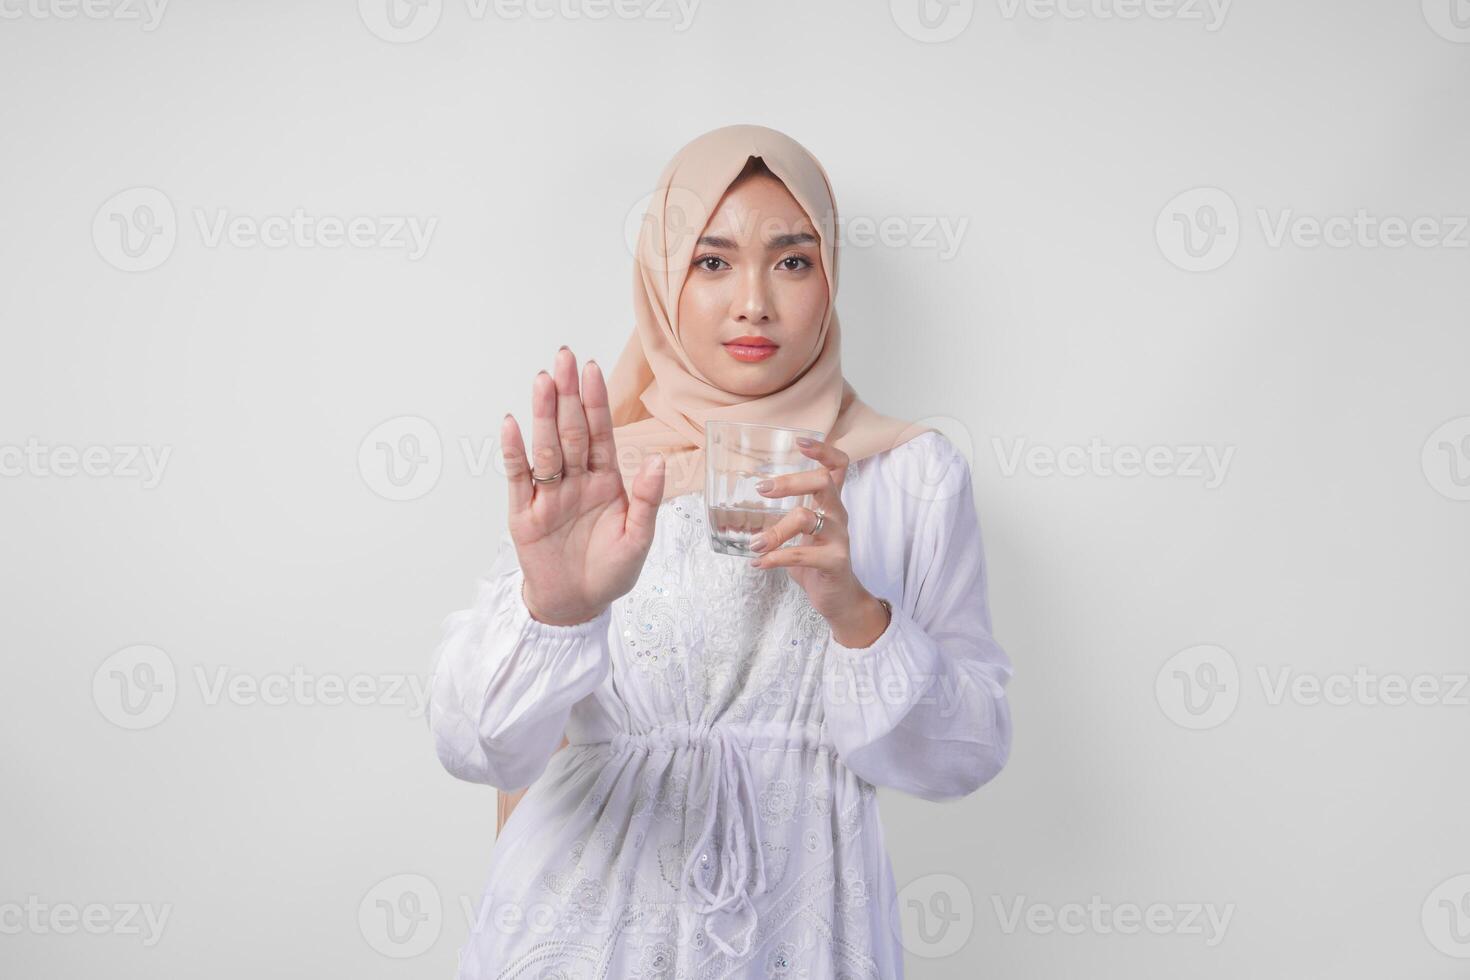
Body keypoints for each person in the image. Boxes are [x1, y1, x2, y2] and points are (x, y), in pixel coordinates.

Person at [428, 123, 1013, 979]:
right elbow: (479, 748)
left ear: (830, 275)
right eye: (711, 262)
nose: (753, 302)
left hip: (806, 928)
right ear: (663, 281)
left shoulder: (907, 475)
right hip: (581, 933)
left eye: (792, 259)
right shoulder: (599, 471)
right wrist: (554, 609)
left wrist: (857, 613)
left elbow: (968, 752)